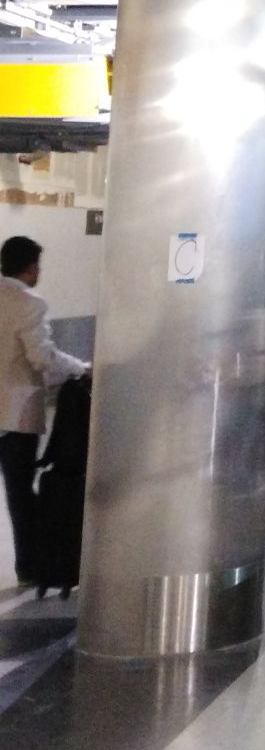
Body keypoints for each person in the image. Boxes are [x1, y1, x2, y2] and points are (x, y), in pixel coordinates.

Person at [1, 236, 89, 587]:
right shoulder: (28, 302)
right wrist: (80, 368)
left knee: (17, 492)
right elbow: (42, 358)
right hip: (15, 413)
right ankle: (31, 565)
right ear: (31, 266)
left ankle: (32, 563)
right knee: (20, 492)